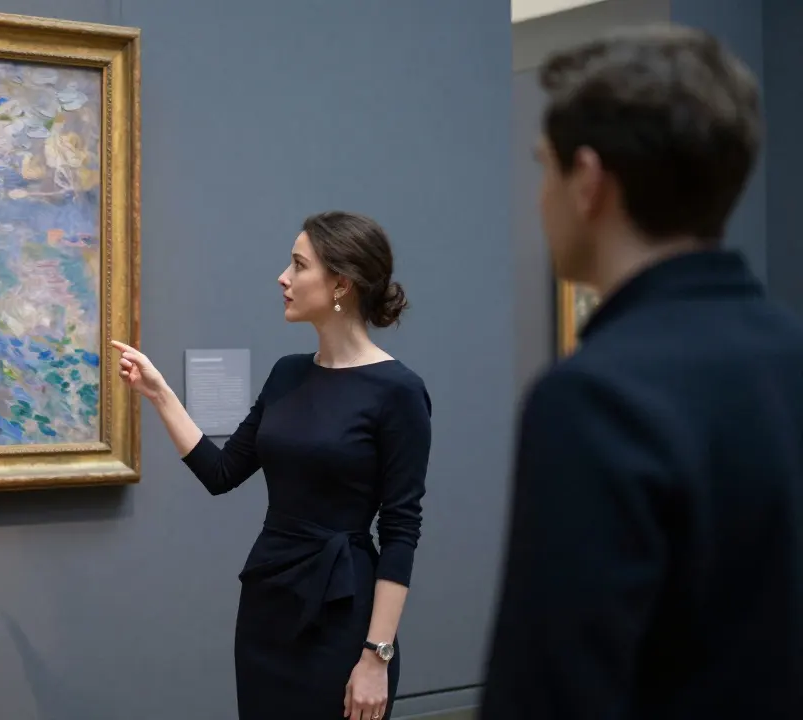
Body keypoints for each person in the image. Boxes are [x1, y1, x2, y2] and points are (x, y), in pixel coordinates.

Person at [481, 25, 803, 720]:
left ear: (589, 182)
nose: (541, 198)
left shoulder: (594, 398)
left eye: (545, 168)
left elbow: (550, 692)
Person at [112, 211, 431, 720]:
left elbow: (401, 530)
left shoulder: (398, 391)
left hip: (342, 615)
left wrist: (377, 657)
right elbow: (221, 473)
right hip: (269, 604)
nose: (283, 278)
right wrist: (159, 392)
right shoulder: (288, 374)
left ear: (341, 284)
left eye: (298, 265)